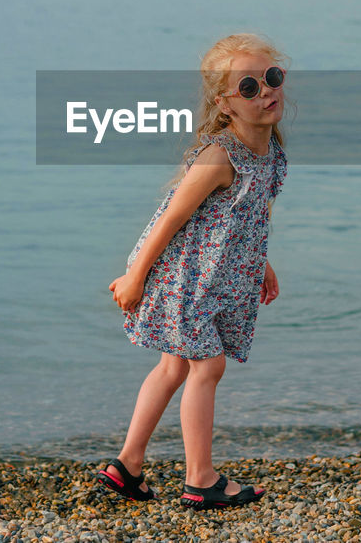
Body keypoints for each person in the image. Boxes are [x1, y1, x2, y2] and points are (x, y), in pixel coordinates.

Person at [97, 34, 288, 509]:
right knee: (208, 364)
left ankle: (127, 465)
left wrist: (260, 261)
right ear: (225, 103)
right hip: (181, 276)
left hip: (215, 274)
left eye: (272, 78)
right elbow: (170, 220)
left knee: (174, 365)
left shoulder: (270, 150)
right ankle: (200, 479)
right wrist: (135, 277)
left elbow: (242, 215)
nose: (265, 91)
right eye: (249, 87)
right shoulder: (219, 156)